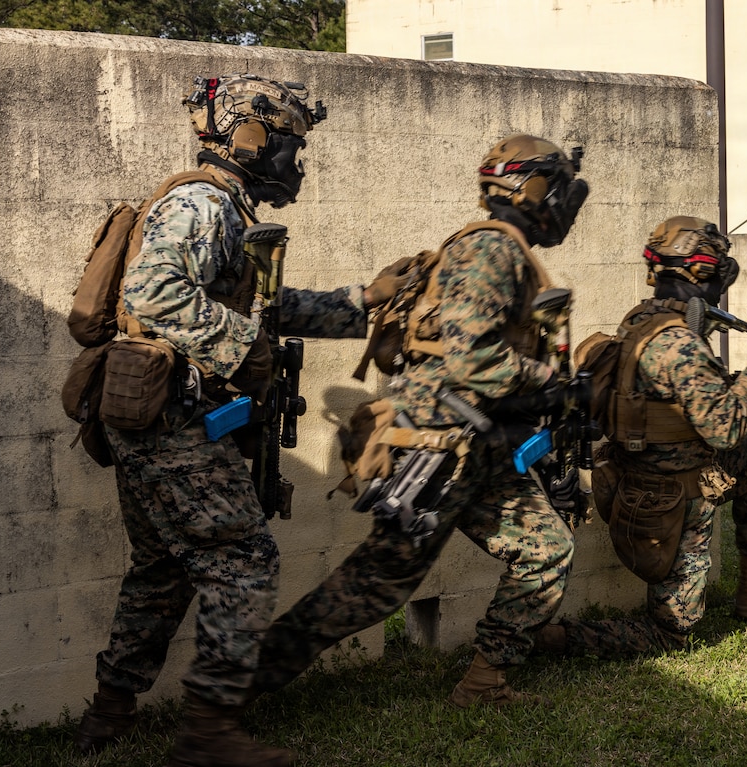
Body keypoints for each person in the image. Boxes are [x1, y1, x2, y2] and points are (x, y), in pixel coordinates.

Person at [73, 73, 404, 767]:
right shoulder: (204, 205)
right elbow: (155, 295)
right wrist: (244, 346)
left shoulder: (220, 207)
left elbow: (265, 308)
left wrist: (363, 303)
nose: (297, 161)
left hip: (152, 416)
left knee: (163, 570)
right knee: (242, 560)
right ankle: (209, 733)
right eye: (291, 143)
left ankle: (107, 715)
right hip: (173, 422)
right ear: (252, 139)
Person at [251, 133, 589, 707]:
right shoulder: (491, 251)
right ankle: (235, 689)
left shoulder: (499, 249)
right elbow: (472, 358)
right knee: (374, 586)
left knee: (545, 548)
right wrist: (550, 381)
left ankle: (485, 681)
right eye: (558, 189)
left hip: (480, 444)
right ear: (531, 188)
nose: (565, 204)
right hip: (441, 447)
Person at [535, 216, 747, 660]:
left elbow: (681, 393)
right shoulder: (681, 344)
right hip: (671, 499)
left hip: (634, 479)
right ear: (705, 273)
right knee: (670, 633)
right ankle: (554, 640)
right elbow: (724, 428)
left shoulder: (643, 320)